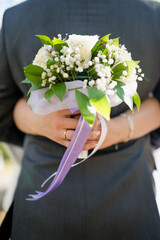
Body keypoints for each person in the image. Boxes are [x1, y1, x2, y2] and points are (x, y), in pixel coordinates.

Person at [0, 0, 160, 239]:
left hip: (43, 193)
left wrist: (42, 123)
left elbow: (4, 109)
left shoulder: (16, 17)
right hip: (131, 192)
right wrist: (118, 130)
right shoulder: (153, 16)